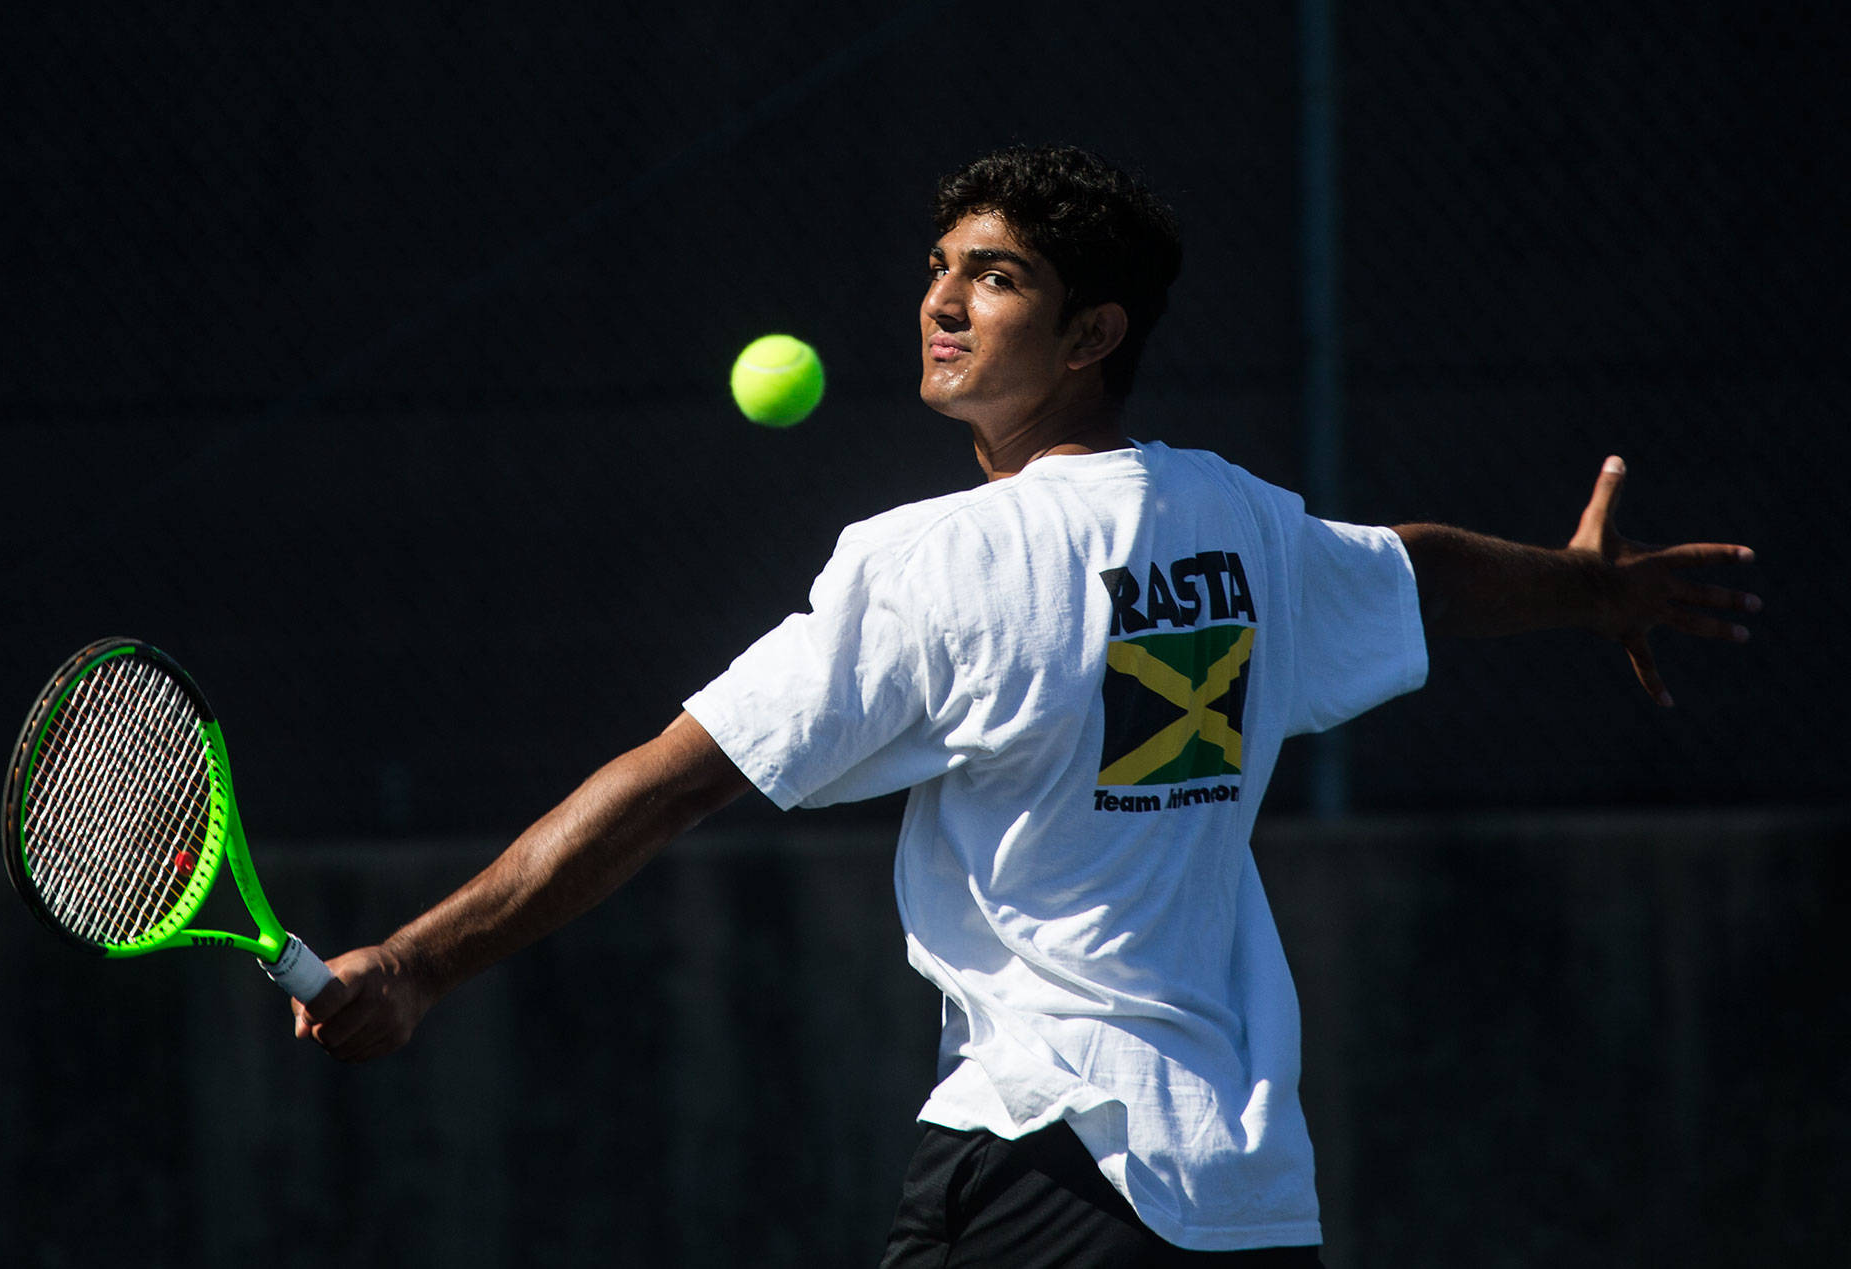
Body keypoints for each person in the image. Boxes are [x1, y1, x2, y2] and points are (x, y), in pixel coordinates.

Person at [292, 146, 1758, 1264]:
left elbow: (676, 777)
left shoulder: (925, 563)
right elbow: (1415, 574)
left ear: (1089, 335)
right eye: (940, 264)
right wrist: (1585, 588)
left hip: (1039, 1157)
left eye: (993, 278)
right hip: (1247, 1197)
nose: (939, 298)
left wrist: (419, 961)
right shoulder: (1242, 524)